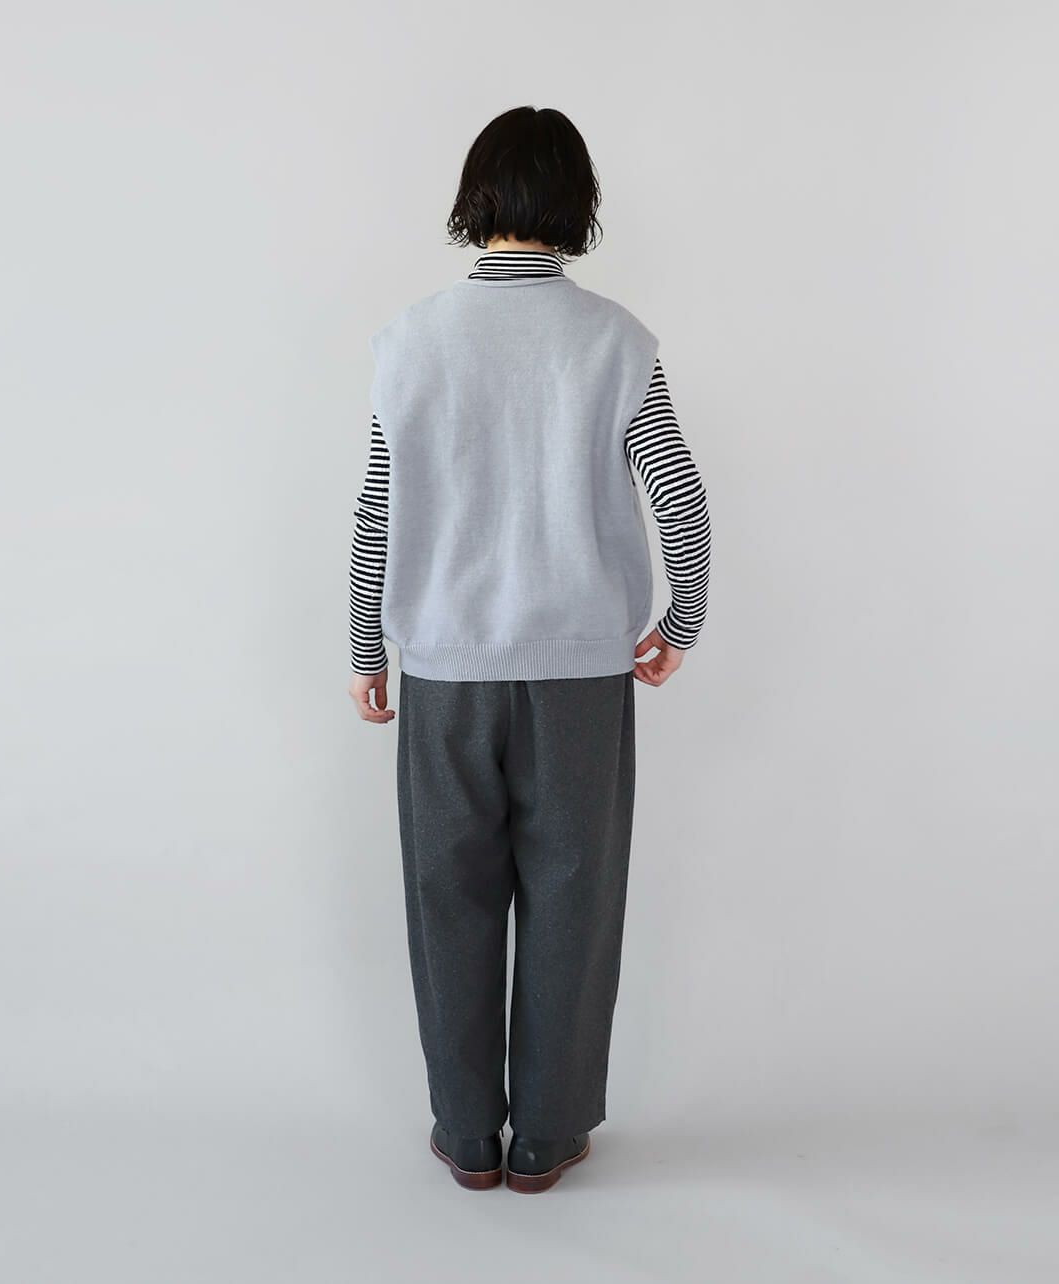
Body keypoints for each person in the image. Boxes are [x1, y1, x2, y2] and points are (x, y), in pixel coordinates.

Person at [347, 105, 711, 1193]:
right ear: (574, 202)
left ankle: (467, 1135)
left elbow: (376, 511)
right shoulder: (617, 341)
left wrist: (366, 649)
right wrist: (679, 623)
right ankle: (547, 1137)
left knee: (446, 897)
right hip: (580, 680)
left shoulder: (409, 340)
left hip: (444, 674)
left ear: (478, 196)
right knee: (573, 899)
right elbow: (680, 501)